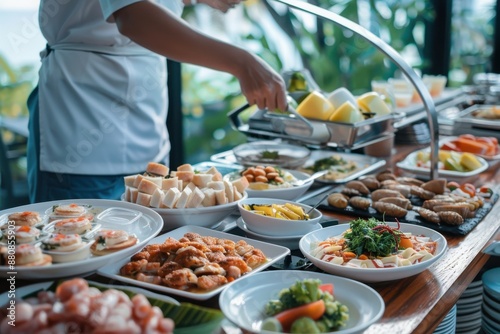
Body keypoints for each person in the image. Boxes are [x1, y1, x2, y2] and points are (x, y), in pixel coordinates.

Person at [27, 0, 288, 203]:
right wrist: (242, 62)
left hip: (145, 116)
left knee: (142, 257)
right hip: (82, 115)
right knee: (71, 244)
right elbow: (132, 16)